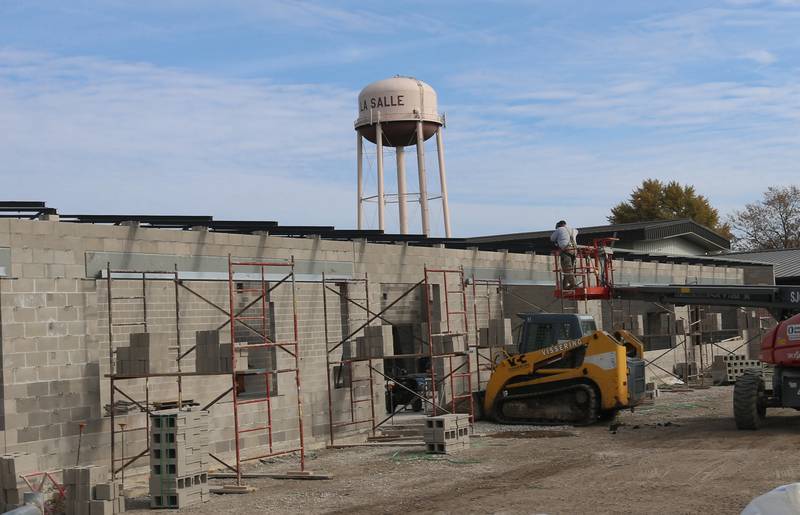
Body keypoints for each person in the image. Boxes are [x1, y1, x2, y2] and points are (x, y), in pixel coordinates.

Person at [550, 220, 578, 289]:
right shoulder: (573, 230)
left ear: (559, 225)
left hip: (566, 251)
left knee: (567, 268)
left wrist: (559, 238)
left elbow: (552, 238)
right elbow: (577, 231)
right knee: (569, 268)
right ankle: (565, 286)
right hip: (574, 251)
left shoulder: (559, 229)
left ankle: (573, 284)